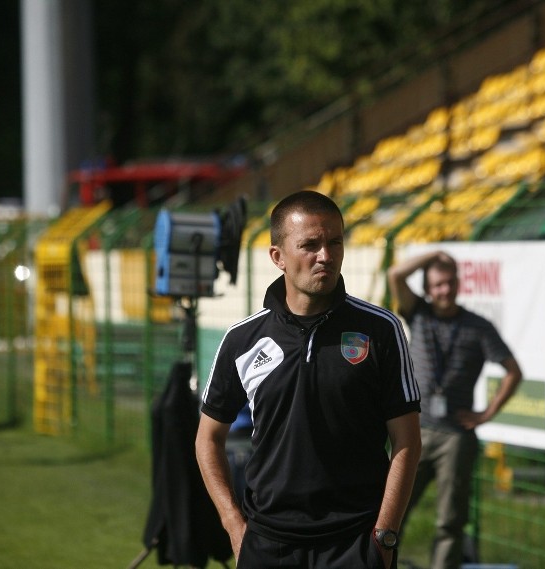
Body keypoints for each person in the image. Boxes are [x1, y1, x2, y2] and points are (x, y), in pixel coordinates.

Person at [195, 190, 421, 569]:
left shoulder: (380, 330)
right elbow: (208, 438)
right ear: (277, 257)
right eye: (310, 245)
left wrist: (385, 535)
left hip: (355, 544)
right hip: (268, 543)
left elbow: (407, 441)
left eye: (335, 242)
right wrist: (234, 524)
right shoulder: (242, 339)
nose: (326, 256)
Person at [387, 249, 522, 569]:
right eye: (436, 285)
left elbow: (513, 371)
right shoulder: (417, 313)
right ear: (428, 289)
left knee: (450, 522)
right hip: (412, 431)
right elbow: (395, 276)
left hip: (456, 437)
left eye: (449, 283)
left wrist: (486, 414)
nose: (444, 290)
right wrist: (434, 253)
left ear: (458, 284)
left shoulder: (478, 326)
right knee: (391, 514)